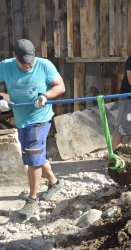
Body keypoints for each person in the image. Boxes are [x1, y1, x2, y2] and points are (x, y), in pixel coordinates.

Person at [0, 39, 65, 217]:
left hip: (40, 118)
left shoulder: (44, 65)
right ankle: (54, 182)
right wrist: (2, 98)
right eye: (23, 63)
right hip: (21, 119)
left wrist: (45, 95)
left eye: (31, 62)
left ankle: (32, 199)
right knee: (36, 155)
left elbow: (60, 86)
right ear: (14, 56)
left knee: (33, 157)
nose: (28, 66)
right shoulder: (5, 66)